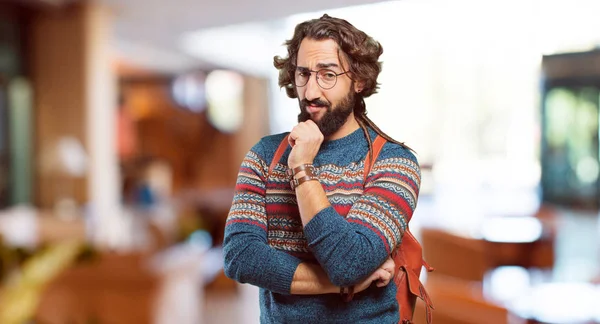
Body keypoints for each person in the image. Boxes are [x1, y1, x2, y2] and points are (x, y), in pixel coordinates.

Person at [223, 14, 421, 323]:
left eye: (327, 74)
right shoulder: (264, 155)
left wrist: (302, 167)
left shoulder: (394, 162)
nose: (311, 92)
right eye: (303, 73)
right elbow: (240, 257)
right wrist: (341, 286)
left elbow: (348, 263)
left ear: (359, 80)